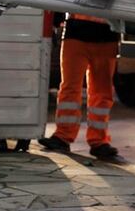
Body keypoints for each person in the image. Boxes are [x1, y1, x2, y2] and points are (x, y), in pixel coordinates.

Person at [39, 12, 120, 160]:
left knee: (101, 92)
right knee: (71, 87)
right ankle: (63, 136)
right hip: (80, 34)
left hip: (103, 36)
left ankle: (98, 141)